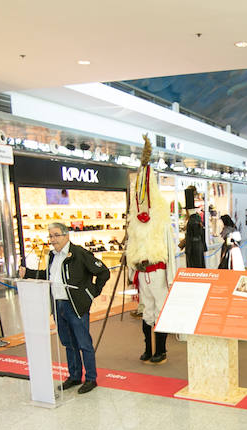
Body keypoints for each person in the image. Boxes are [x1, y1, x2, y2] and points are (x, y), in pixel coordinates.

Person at [19, 222, 110, 393]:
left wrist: (91, 293)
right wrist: (29, 273)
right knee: (68, 343)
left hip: (75, 306)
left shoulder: (79, 253)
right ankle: (74, 376)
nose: (52, 239)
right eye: (50, 236)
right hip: (59, 305)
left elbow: (103, 272)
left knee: (84, 344)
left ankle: (91, 378)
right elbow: (48, 275)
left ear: (66, 235)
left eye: (56, 235)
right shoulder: (52, 255)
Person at [125, 135, 177, 364]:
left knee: (160, 309)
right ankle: (149, 348)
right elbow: (131, 246)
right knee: (146, 310)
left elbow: (170, 250)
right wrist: (131, 270)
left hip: (158, 272)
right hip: (142, 272)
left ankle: (161, 350)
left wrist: (171, 277)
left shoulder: (162, 222)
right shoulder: (134, 222)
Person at [183, 186, 206, 269]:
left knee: (195, 269)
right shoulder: (195, 218)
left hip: (194, 248)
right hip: (195, 247)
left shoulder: (193, 219)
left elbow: (194, 235)